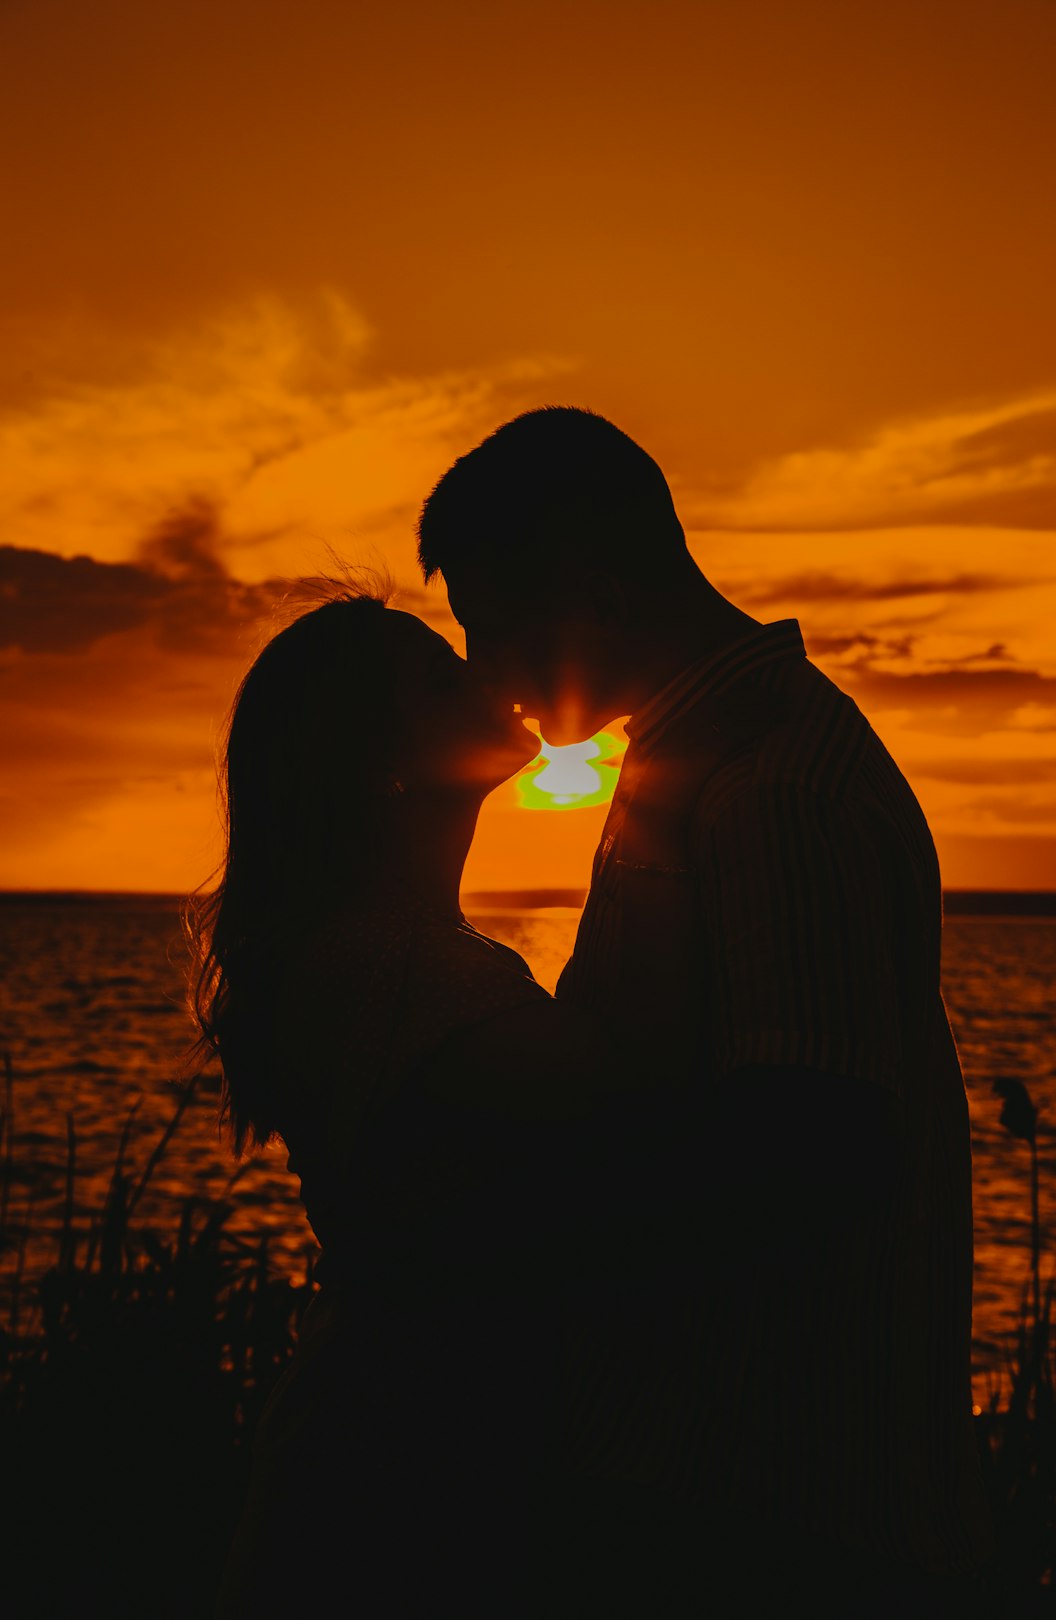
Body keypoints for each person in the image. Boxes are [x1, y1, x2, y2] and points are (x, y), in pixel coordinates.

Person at [417, 405, 998, 1615]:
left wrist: (544, 1226)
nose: (482, 672)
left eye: (492, 623)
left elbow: (812, 1147)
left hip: (775, 1509)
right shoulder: (705, 773)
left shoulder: (770, 790)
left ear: (591, 588)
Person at [189, 589, 661, 1618]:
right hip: (406, 1478)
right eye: (442, 675)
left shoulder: (395, 959)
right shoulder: (385, 969)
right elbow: (638, 1117)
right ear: (382, 764)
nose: (485, 677)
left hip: (412, 1450)